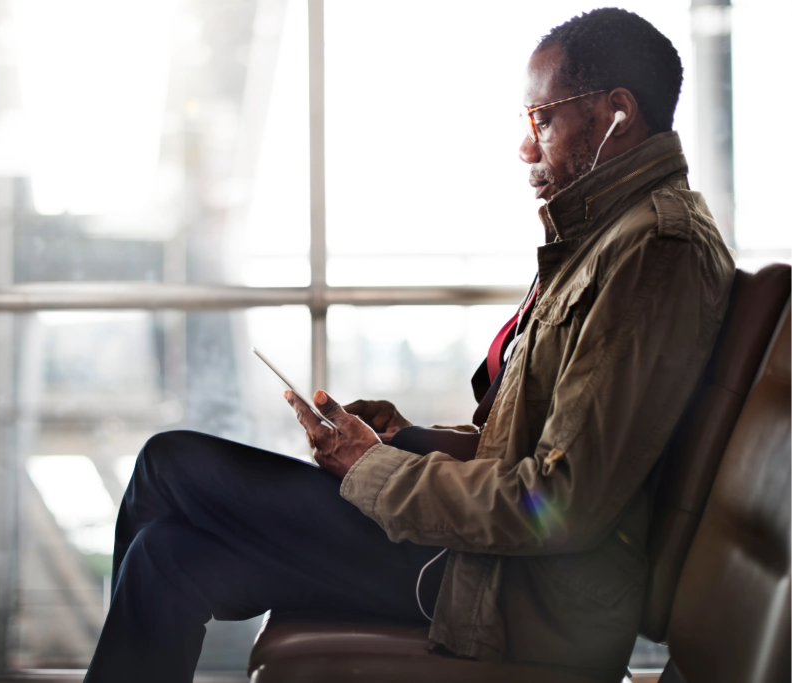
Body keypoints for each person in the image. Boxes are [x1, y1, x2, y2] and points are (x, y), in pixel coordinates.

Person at [83, 8, 734, 683]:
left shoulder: (654, 251)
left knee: (169, 463)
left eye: (542, 119)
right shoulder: (610, 242)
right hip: (487, 567)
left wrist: (370, 468)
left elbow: (561, 502)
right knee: (168, 554)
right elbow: (543, 452)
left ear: (617, 114)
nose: (524, 146)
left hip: (508, 594)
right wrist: (408, 438)